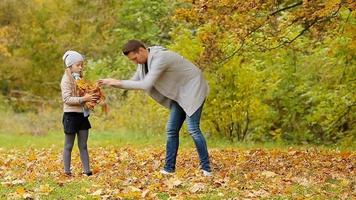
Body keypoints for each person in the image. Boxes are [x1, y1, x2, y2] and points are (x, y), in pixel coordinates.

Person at [98, 40, 212, 176]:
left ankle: (206, 168)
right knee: (171, 130)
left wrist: (117, 83)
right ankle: (169, 169)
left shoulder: (160, 58)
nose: (135, 62)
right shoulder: (143, 63)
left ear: (141, 50)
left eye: (135, 58)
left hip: (193, 87)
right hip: (179, 93)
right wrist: (111, 82)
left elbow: (146, 84)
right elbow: (135, 81)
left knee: (192, 128)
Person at [60, 50, 98, 176]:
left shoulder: (81, 79)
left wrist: (92, 97)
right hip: (70, 116)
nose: (81, 67)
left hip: (82, 116)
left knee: (83, 145)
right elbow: (66, 99)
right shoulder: (66, 80)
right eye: (78, 65)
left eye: (82, 65)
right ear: (70, 66)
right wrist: (84, 99)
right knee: (68, 145)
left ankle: (87, 171)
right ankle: (67, 172)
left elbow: (86, 95)